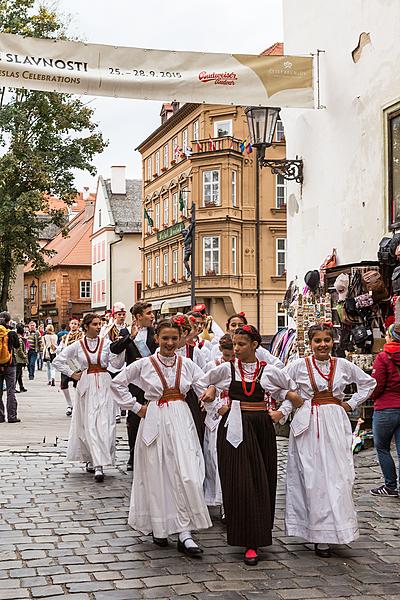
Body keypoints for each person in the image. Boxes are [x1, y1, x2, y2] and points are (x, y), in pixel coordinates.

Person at [272, 322, 376, 557]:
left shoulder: (342, 366)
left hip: (335, 422)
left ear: (333, 342)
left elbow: (369, 383)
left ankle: (336, 529)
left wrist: (350, 404)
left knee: (338, 475)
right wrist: (289, 404)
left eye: (326, 340)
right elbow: (276, 384)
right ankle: (316, 533)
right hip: (308, 423)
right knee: (311, 475)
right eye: (317, 341)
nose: (322, 345)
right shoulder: (298, 366)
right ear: (310, 344)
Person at [110, 318, 214, 555]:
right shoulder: (144, 364)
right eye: (165, 338)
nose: (169, 343)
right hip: (155, 417)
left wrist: (210, 395)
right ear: (156, 338)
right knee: (157, 472)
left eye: (174, 338)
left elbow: (204, 384)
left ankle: (185, 532)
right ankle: (160, 526)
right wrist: (137, 408)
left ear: (181, 340)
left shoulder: (187, 364)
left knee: (188, 472)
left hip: (181, 418)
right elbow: (117, 383)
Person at [202, 324, 301, 565]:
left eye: (241, 344)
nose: (236, 349)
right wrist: (216, 405)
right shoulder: (226, 369)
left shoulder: (269, 371)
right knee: (238, 480)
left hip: (260, 427)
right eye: (234, 344)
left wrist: (281, 413)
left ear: (255, 345)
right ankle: (244, 537)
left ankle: (256, 538)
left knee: (261, 479)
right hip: (234, 426)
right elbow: (200, 385)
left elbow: (293, 391)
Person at [53, 313, 124, 482]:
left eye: (99, 324)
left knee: (106, 423)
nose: (98, 327)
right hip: (86, 385)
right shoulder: (77, 346)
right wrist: (72, 373)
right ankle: (95, 462)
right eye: (94, 324)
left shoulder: (106, 344)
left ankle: (101, 459)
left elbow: (116, 365)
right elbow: (58, 360)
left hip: (104, 384)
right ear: (86, 327)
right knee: (89, 422)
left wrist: (120, 350)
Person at [109, 302, 157, 471]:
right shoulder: (125, 332)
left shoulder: (156, 332)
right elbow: (114, 352)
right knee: (134, 419)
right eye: (149, 313)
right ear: (138, 317)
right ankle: (133, 455)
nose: (152, 316)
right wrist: (130, 338)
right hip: (136, 383)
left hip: (155, 382)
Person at [203, 334, 235, 514]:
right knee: (213, 457)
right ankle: (217, 496)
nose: (230, 360)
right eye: (227, 356)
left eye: (233, 356)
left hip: (235, 412)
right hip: (216, 416)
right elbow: (202, 387)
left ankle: (227, 503)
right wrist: (215, 405)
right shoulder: (212, 366)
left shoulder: (240, 368)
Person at [369, 323, 400, 497]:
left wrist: (373, 396)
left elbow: (377, 385)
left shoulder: (384, 356)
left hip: (386, 408)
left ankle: (390, 486)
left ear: (392, 336)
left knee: (382, 448)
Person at [100, 302, 130, 424]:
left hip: (124, 361)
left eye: (123, 314)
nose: (122, 316)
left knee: (124, 386)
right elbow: (104, 344)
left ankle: (124, 408)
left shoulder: (128, 329)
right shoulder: (107, 329)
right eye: (119, 314)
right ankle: (116, 412)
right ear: (115, 315)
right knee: (113, 386)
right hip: (112, 361)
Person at [56, 318, 83, 417]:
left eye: (76, 324)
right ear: (69, 324)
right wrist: (55, 349)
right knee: (63, 385)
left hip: (77, 363)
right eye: (72, 323)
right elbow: (60, 348)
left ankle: (76, 405)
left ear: (78, 326)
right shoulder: (65, 337)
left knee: (77, 385)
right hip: (67, 363)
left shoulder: (81, 336)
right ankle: (69, 404)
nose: (73, 325)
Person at [0, 312, 21, 423]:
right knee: (10, 390)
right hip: (10, 364)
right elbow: (17, 345)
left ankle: (0, 416)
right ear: (9, 321)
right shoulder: (11, 333)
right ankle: (12, 416)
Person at [15, 324, 28, 393]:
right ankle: (13, 387)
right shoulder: (19, 339)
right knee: (17, 374)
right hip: (19, 359)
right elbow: (19, 350)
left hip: (17, 359)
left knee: (19, 374)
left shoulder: (16, 338)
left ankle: (21, 386)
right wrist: (24, 356)